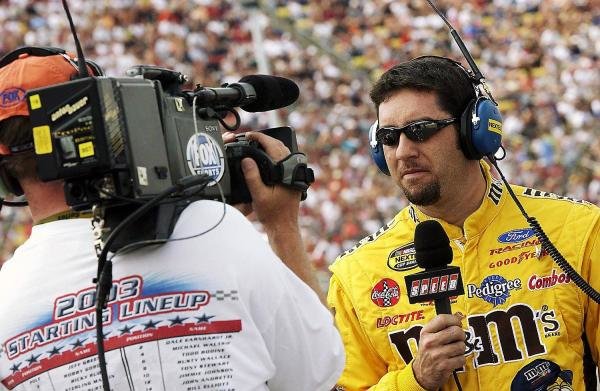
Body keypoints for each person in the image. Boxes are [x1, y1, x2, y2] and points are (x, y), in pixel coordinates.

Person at [0, 49, 344, 390]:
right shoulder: (213, 229)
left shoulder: (6, 299)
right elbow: (319, 372)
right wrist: (280, 227)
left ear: (7, 175)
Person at [327, 56, 599, 390]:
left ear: (475, 130)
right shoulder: (355, 275)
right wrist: (416, 379)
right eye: (389, 137)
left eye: (420, 131)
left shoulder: (577, 229)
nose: (402, 151)